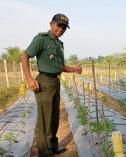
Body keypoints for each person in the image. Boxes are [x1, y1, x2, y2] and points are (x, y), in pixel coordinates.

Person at [21, 13, 82, 157]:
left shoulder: (59, 44)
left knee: (54, 117)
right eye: (58, 25)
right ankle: (44, 152)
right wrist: (29, 79)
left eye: (64, 27)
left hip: (55, 81)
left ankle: (53, 147)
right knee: (45, 118)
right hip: (44, 82)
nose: (61, 29)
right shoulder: (41, 39)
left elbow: (61, 66)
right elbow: (25, 56)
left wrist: (74, 69)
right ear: (51, 24)